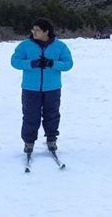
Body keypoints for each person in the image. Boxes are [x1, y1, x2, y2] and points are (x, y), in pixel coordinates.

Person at [10, 18, 73, 153]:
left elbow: (68, 64)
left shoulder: (60, 46)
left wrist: (52, 63)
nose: (34, 32)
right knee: (30, 115)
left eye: (37, 30)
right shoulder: (25, 45)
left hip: (53, 88)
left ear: (46, 31)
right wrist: (31, 63)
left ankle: (51, 139)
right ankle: (29, 142)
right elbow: (14, 61)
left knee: (52, 115)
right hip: (30, 88)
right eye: (33, 29)